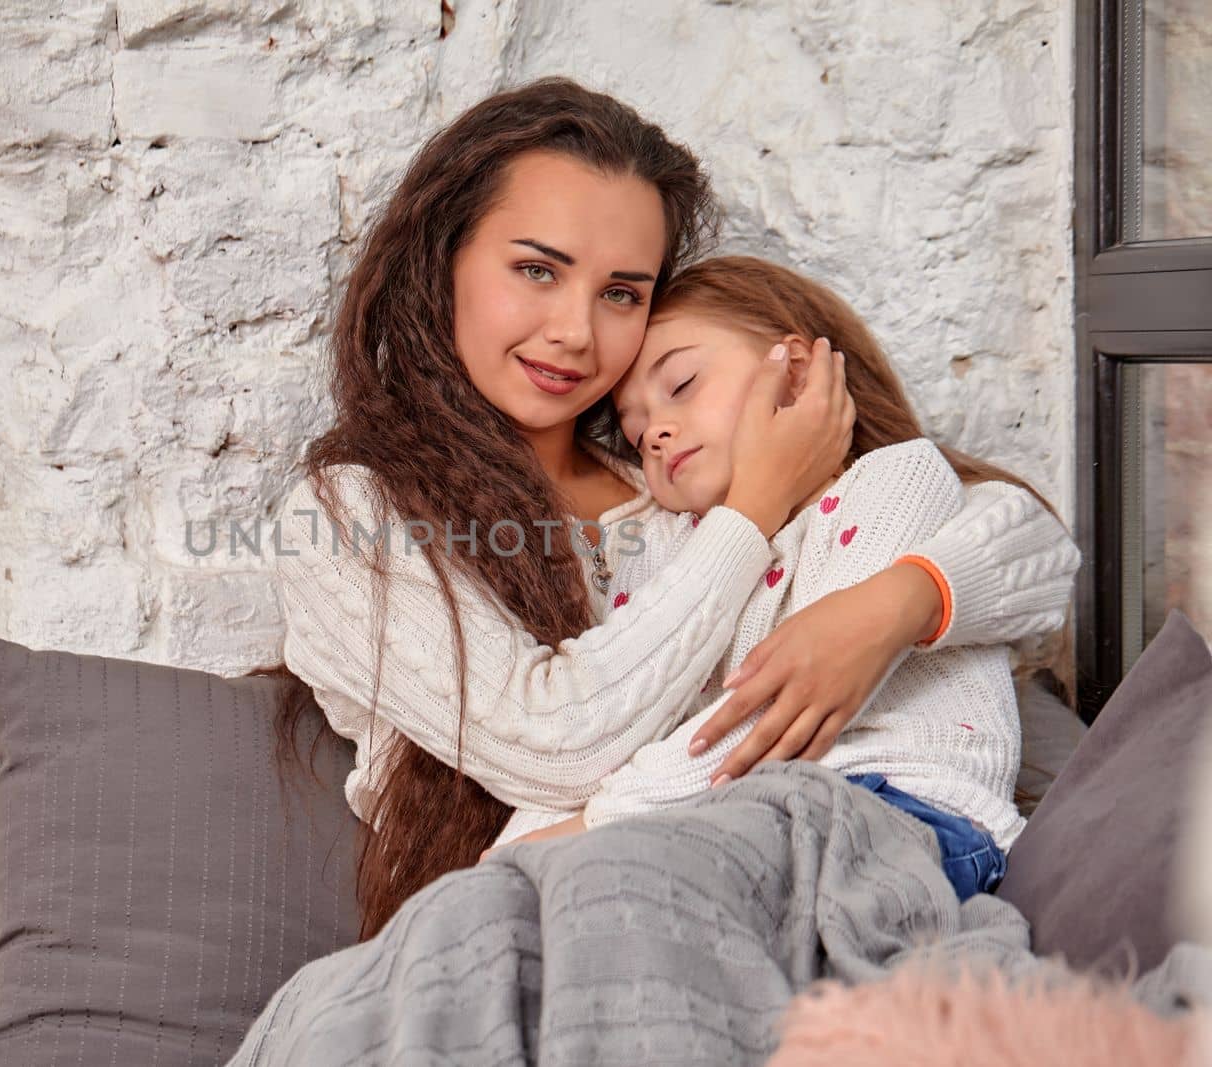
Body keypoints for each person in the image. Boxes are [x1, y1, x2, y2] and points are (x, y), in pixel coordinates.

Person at [265, 77, 1079, 939]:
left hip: (755, 878)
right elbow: (553, 740)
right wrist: (752, 512)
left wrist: (891, 605)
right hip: (546, 920)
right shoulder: (353, 511)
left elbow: (1013, 535)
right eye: (537, 270)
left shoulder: (677, 480)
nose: (577, 331)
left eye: (621, 292)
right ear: (442, 262)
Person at [495, 256, 1074, 901]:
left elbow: (772, 713)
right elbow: (617, 723)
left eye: (682, 384)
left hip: (893, 810)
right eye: (634, 434)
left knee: (644, 896)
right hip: (721, 820)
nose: (654, 432)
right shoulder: (665, 550)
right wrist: (504, 868)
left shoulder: (892, 485)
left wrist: (588, 830)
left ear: (795, 372)